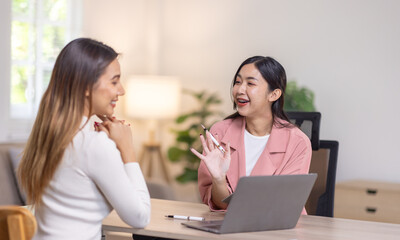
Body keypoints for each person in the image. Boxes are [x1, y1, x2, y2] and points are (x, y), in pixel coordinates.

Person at [17, 38, 151, 240]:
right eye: (114, 81)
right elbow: (139, 217)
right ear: (86, 86)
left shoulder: (49, 136)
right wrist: (127, 149)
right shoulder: (93, 144)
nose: (121, 90)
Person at [191, 56, 312, 213]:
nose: (240, 90)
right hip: (231, 229)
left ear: (274, 95)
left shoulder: (296, 142)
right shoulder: (220, 132)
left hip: (279, 230)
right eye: (238, 82)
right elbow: (219, 205)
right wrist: (219, 180)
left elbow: (284, 203)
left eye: (250, 83)